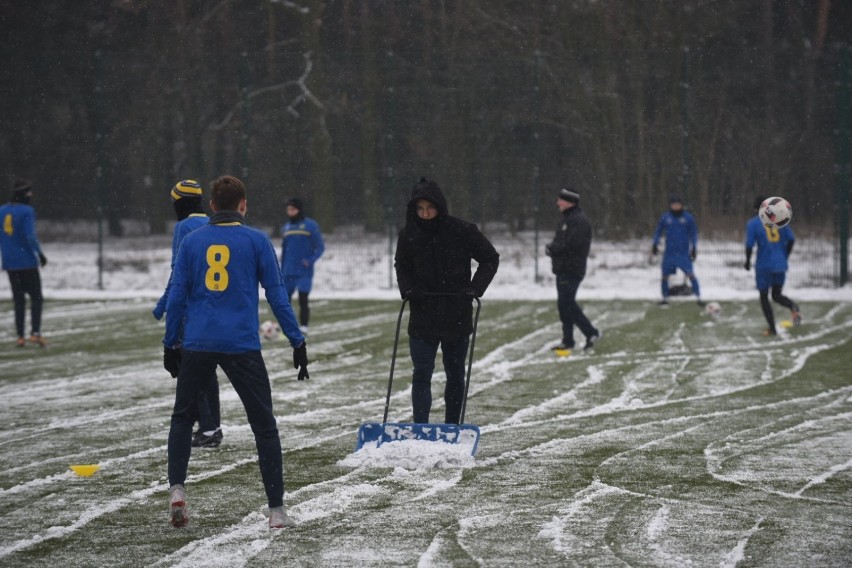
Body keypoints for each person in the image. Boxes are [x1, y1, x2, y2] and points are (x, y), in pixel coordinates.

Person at [162, 175, 309, 530]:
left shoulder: (193, 241)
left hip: (197, 343)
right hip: (241, 345)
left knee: (183, 418)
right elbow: (276, 294)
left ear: (212, 205)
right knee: (264, 427)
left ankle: (177, 489)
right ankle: (276, 511)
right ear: (243, 205)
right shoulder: (256, 240)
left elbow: (177, 295)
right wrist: (296, 339)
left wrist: (170, 344)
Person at [394, 177, 499, 424]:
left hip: (456, 312)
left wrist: (475, 288)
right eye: (420, 209)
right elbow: (402, 266)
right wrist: (408, 289)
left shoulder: (462, 231)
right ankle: (420, 426)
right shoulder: (408, 234)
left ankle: (452, 425)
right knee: (421, 372)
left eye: (430, 208)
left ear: (440, 206)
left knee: (454, 373)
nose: (425, 213)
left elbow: (490, 259)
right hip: (422, 312)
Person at [153, 180, 222, 448]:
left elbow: (178, 273)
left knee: (193, 368)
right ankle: (208, 424)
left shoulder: (183, 227)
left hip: (192, 309)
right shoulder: (213, 222)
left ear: (179, 204)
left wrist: (164, 304)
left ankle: (206, 427)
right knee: (206, 369)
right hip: (214, 306)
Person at [545, 187, 600, 353]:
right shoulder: (567, 219)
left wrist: (552, 249)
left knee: (567, 304)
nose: (557, 203)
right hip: (563, 268)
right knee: (564, 305)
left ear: (570, 202)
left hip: (571, 269)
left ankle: (591, 332)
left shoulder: (578, 221)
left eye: (560, 200)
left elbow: (570, 245)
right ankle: (568, 340)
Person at [744, 195, 801, 336]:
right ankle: (793, 307)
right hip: (780, 264)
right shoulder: (780, 219)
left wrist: (747, 260)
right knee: (776, 294)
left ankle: (772, 328)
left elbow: (749, 245)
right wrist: (784, 256)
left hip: (764, 265)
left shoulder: (754, 223)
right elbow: (792, 240)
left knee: (764, 297)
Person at [0, 179, 47, 347]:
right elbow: (29, 236)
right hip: (26, 261)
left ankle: (20, 336)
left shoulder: (2, 211)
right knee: (36, 297)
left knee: (18, 300)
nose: (31, 195)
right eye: (28, 192)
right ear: (23, 194)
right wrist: (40, 254)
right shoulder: (27, 211)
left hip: (10, 262)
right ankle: (35, 333)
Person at [280, 197, 324, 335]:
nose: (290, 212)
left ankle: (304, 326)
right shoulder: (285, 228)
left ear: (298, 210)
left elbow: (320, 247)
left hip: (304, 271)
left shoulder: (311, 226)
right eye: (288, 209)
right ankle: (287, 327)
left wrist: (310, 260)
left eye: (292, 209)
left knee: (302, 298)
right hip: (288, 270)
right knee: (284, 302)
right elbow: (285, 250)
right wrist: (281, 269)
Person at [651, 195, 704, 306]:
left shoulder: (688, 218)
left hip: (683, 254)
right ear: (671, 205)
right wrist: (655, 244)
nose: (676, 206)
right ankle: (665, 298)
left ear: (681, 205)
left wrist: (694, 247)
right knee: (665, 275)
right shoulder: (665, 218)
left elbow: (693, 234)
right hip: (669, 254)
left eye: (678, 204)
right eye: (673, 204)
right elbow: (658, 231)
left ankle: (699, 297)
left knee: (691, 274)